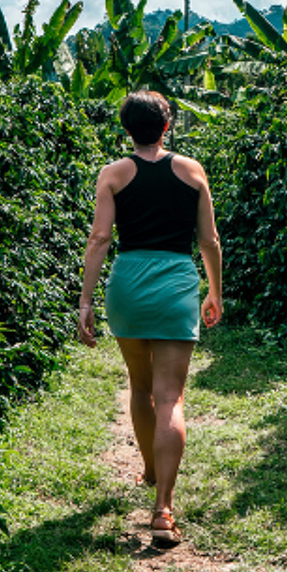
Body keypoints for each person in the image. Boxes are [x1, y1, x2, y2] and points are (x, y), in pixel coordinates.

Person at [77, 90, 222, 547]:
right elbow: (210, 240)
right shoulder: (193, 171)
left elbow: (100, 239)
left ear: (127, 129)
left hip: (129, 285)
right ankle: (163, 509)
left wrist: (85, 301)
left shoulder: (113, 174)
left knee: (140, 389)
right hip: (177, 284)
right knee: (171, 398)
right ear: (166, 125)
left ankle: (147, 465)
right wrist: (215, 290)